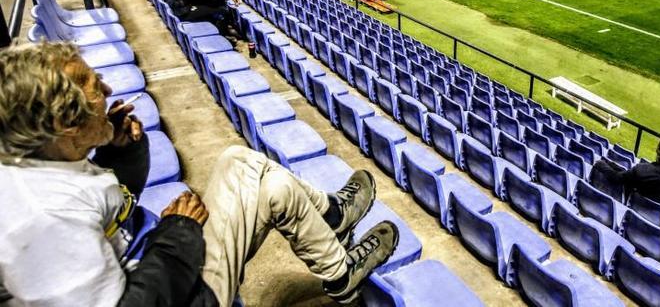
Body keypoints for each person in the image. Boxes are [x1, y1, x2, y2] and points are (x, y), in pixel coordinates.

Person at [0, 41, 398, 306]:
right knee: (257, 175)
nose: (105, 88)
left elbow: (115, 207)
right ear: (62, 123)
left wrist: (121, 153)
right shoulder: (40, 220)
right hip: (180, 290)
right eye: (91, 85)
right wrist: (177, 232)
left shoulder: (51, 159)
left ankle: (336, 251)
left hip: (163, 267)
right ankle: (335, 239)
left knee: (242, 162)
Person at [592, 135, 660, 225]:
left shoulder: (642, 170)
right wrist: (609, 164)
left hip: (636, 221)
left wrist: (601, 164)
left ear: (658, 151)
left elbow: (617, 178)